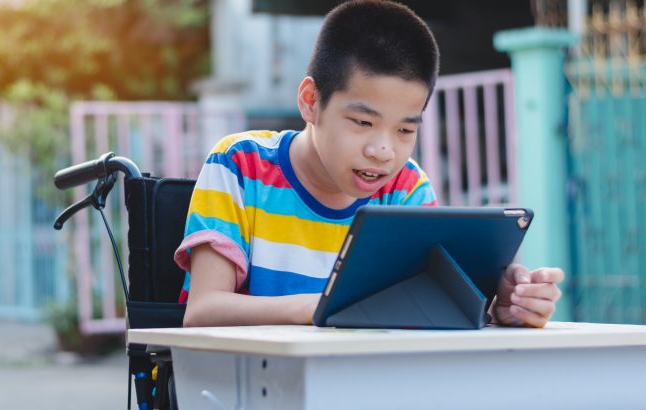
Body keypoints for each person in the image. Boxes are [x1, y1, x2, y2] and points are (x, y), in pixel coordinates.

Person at [175, 0, 564, 328]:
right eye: (363, 122)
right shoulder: (240, 166)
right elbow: (203, 310)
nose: (383, 151)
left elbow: (426, 311)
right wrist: (326, 307)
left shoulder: (406, 188)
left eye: (404, 131)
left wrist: (500, 306)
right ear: (311, 101)